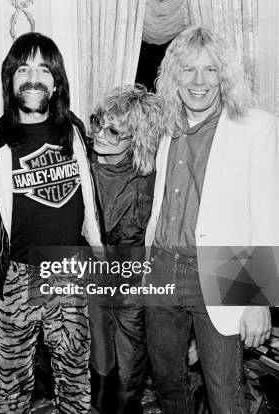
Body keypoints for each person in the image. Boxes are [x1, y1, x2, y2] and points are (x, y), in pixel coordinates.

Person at [145, 26, 279, 413]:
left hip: (225, 268)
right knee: (170, 388)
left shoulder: (257, 127)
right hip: (161, 269)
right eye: (188, 70)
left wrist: (258, 299)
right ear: (174, 77)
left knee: (224, 392)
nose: (199, 81)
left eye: (211, 70)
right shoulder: (167, 130)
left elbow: (267, 216)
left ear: (226, 76)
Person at [0, 31, 103, 414]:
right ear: (10, 79)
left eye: (44, 69)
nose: (33, 78)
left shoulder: (75, 134)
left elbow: (91, 205)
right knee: (11, 379)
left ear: (57, 81)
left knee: (75, 372)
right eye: (23, 69)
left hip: (69, 270)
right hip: (16, 276)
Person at [87, 84, 168, 414]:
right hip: (90, 280)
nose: (100, 135)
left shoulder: (151, 177)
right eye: (97, 123)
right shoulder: (82, 168)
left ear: (136, 138)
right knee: (97, 359)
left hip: (132, 287)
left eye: (114, 131)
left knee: (130, 366)